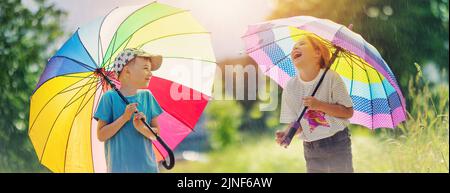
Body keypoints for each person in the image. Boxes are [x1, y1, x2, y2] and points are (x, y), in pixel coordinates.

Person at [276, 34, 355, 173]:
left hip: (337, 142)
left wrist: (320, 105)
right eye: (294, 46)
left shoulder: (331, 77)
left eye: (302, 44)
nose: (296, 47)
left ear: (317, 53)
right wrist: (288, 133)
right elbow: (298, 122)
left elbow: (348, 112)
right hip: (311, 148)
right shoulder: (291, 87)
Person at [94, 48, 164, 173]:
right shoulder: (109, 98)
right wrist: (124, 118)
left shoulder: (147, 96)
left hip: (147, 169)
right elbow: (101, 135)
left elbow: (156, 133)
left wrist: (142, 128)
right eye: (145, 68)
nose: (150, 73)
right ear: (127, 72)